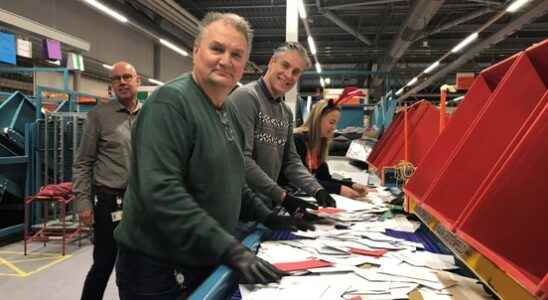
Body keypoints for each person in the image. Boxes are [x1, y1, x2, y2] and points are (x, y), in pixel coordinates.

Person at [113, 12, 313, 299]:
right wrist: (229, 248)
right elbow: (161, 192)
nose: (225, 60)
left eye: (236, 54)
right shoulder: (170, 103)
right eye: (217, 49)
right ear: (196, 51)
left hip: (200, 254)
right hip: (156, 264)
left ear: (245, 65)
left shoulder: (228, 109)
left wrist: (268, 216)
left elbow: (233, 180)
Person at [228, 42, 337, 213]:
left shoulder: (285, 112)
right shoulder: (246, 98)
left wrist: (317, 190)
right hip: (240, 209)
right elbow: (242, 160)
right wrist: (283, 196)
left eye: (296, 72)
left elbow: (291, 161)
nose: (288, 75)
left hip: (266, 207)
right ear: (272, 62)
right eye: (285, 65)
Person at [72, 61, 142, 300]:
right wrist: (83, 202)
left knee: (137, 267)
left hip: (142, 204)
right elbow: (83, 162)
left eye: (127, 76)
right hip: (110, 202)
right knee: (103, 264)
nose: (122, 82)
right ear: (111, 86)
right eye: (116, 79)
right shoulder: (99, 116)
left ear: (137, 81)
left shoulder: (151, 114)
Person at [293, 99, 368, 199]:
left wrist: (351, 185)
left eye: (336, 124)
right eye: (331, 122)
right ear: (318, 119)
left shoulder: (320, 144)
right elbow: (301, 181)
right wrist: (339, 189)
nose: (334, 127)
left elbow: (324, 179)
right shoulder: (298, 141)